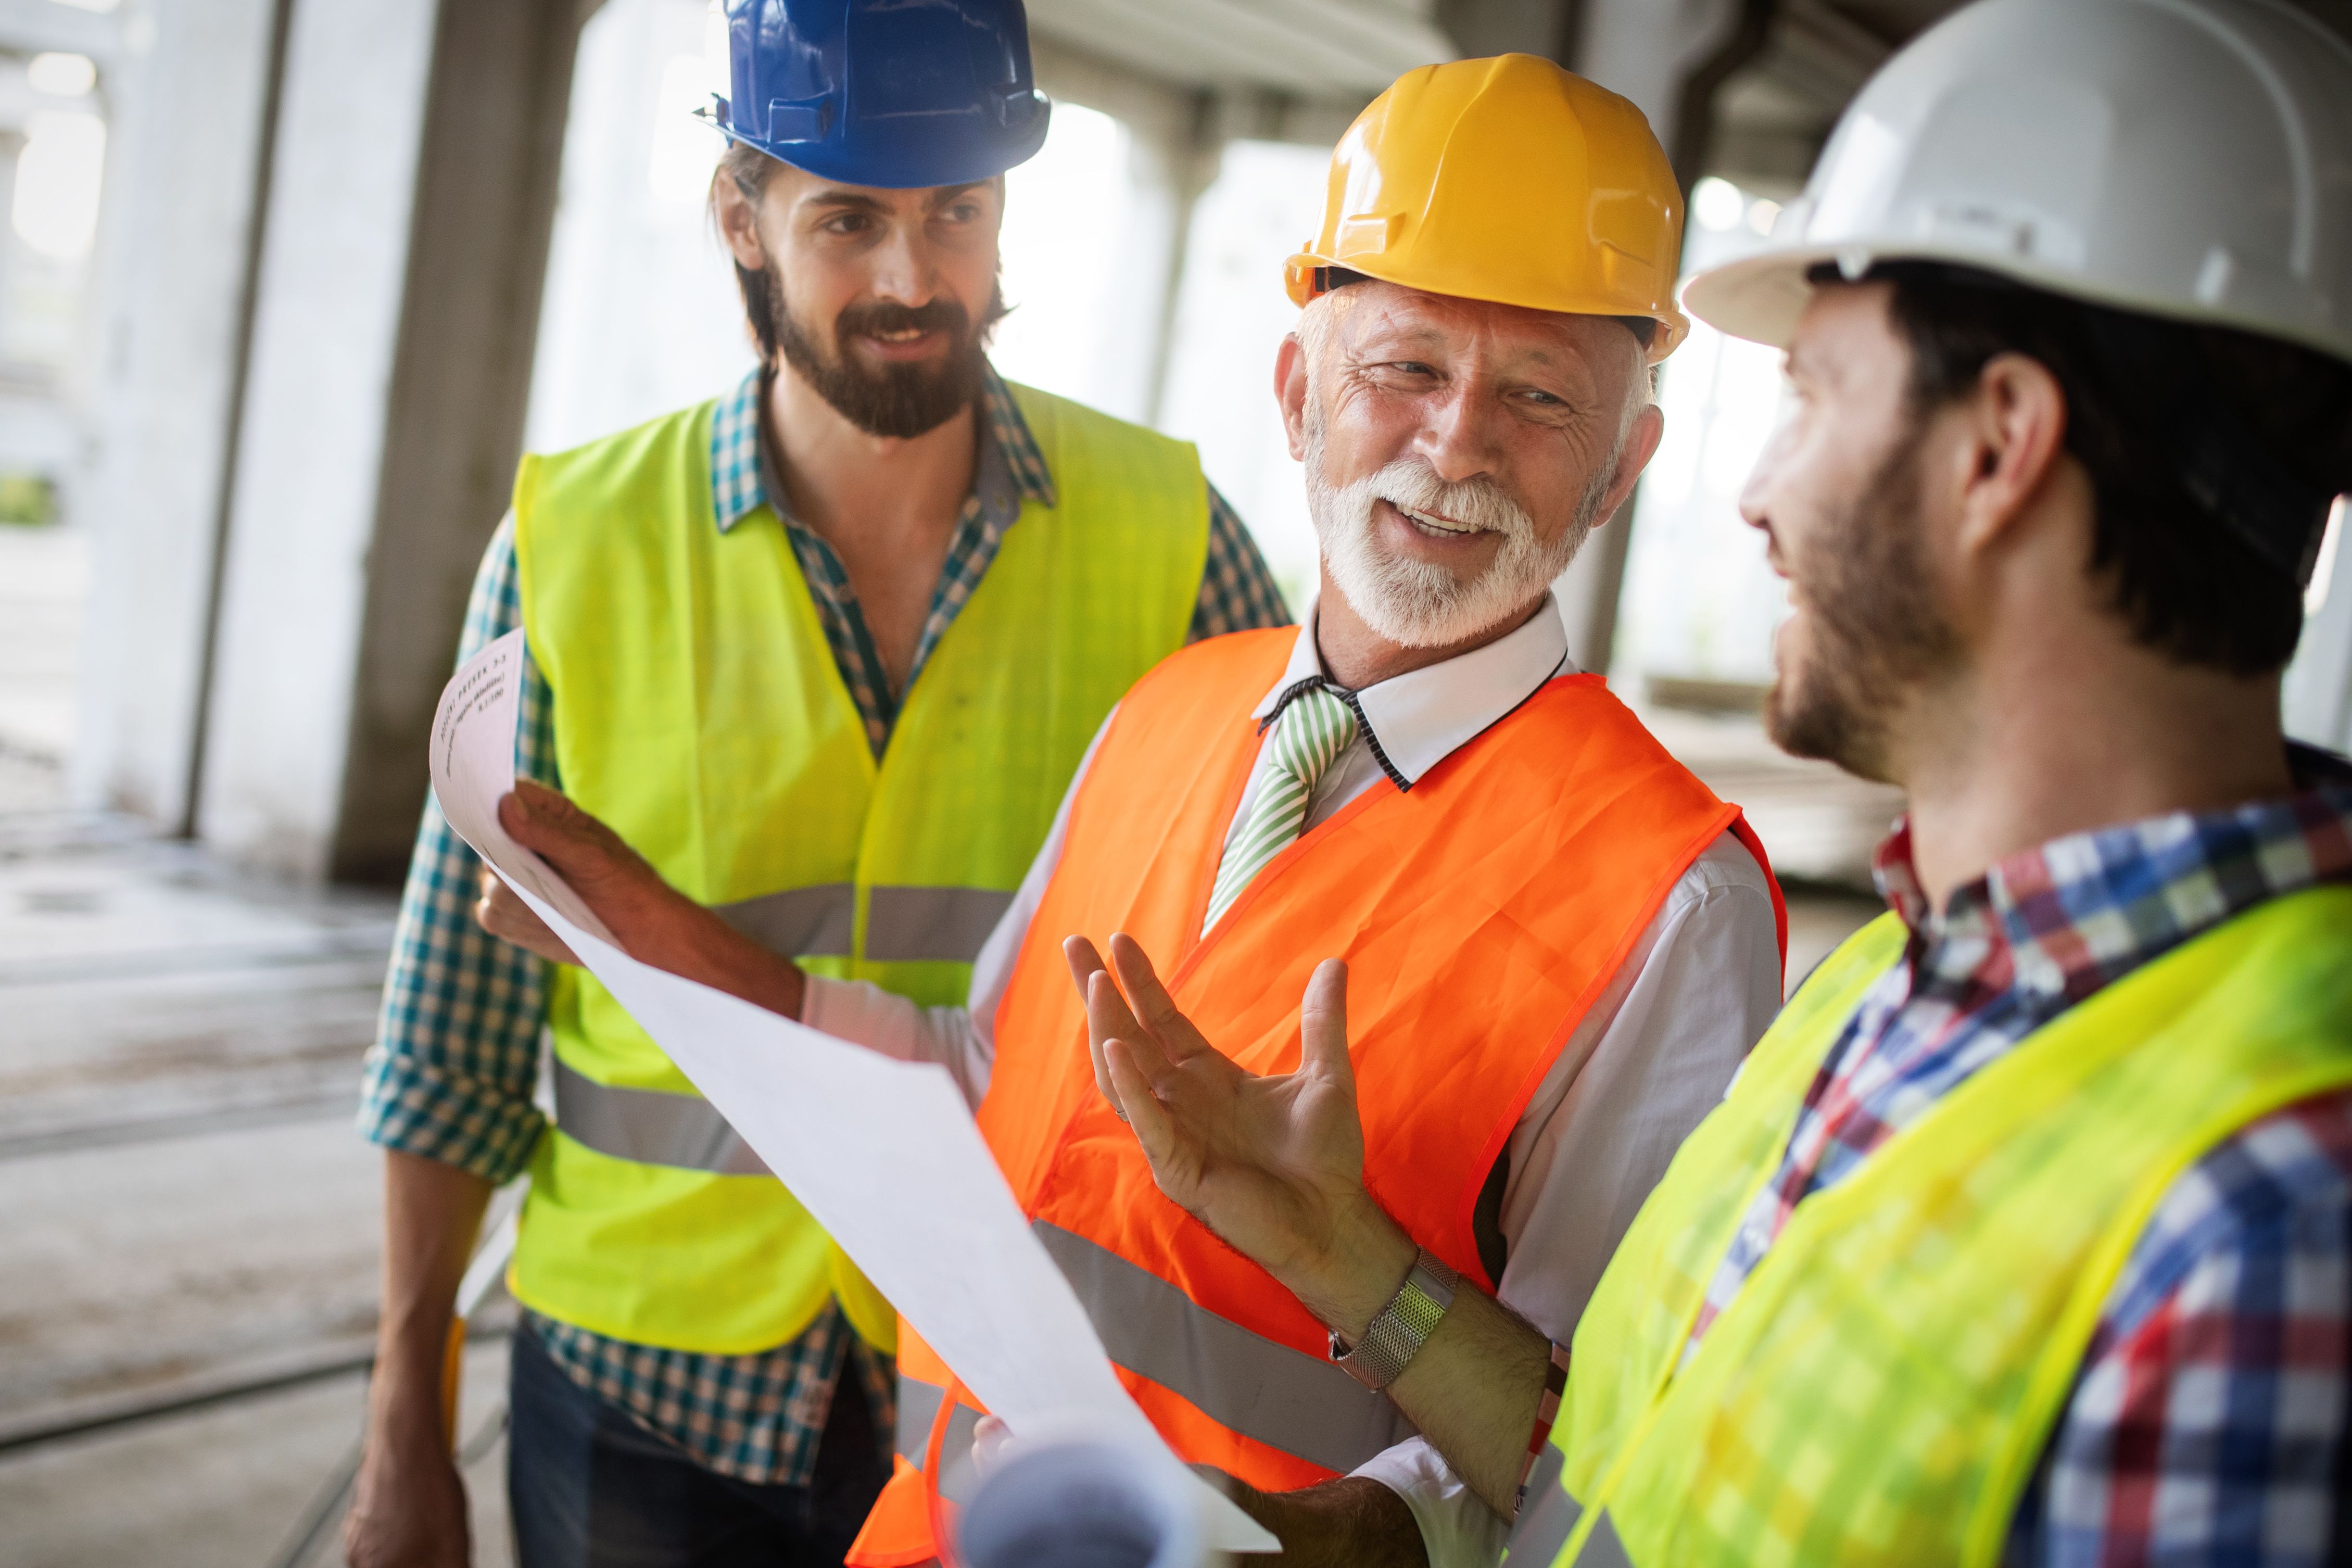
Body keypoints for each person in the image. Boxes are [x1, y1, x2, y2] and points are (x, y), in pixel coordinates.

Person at [1066, 1, 2352, 1563]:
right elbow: (1618, 1459)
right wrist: (1348, 1264)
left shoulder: (2275, 1210)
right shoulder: (1887, 982)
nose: (1750, 492)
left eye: (1810, 395)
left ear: (1997, 445)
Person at [473, 54, 1789, 1568]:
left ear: (1626, 462)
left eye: (1542, 396)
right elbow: (980, 1084)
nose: (1455, 444)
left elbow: (1613, 1448)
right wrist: (677, 955)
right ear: (1300, 392)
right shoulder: (1170, 710)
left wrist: (1329, 1543)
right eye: (1405, 367)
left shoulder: (1671, 896)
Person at [345, 1, 1289, 1563]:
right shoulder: (575, 545)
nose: (915, 279)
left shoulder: (1177, 537)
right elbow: (450, 1040)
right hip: (645, 1386)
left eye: (958, 216)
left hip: (1005, 1388)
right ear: (742, 215)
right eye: (849, 218)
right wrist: (403, 1426)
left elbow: (1258, 965)